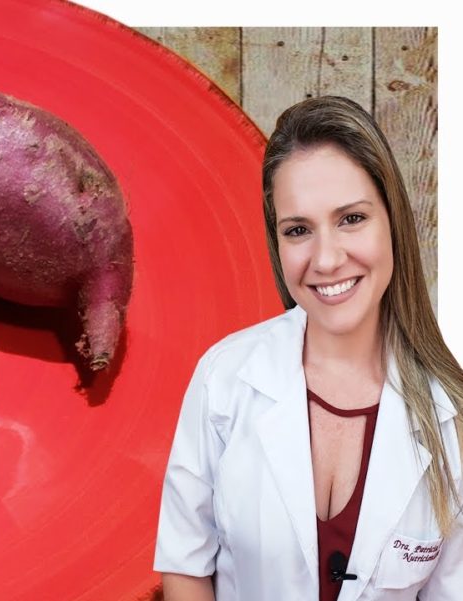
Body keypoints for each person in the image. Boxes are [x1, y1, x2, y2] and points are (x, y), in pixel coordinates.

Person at [153, 95, 463, 600]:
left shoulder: (453, 418)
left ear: (393, 222)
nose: (325, 259)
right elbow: (186, 569)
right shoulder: (224, 377)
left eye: (351, 219)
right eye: (298, 230)